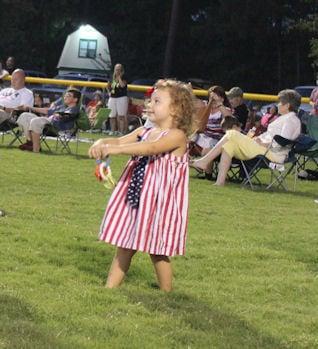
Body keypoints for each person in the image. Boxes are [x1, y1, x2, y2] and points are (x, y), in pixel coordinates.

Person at [88, 79, 194, 292]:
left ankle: (167, 293)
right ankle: (109, 289)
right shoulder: (144, 130)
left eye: (157, 101)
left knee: (157, 249)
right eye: (151, 100)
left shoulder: (177, 136)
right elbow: (120, 141)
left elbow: (151, 148)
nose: (150, 105)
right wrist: (102, 143)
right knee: (125, 245)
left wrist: (115, 150)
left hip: (158, 202)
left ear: (176, 109)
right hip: (137, 198)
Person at [191, 89, 302, 186]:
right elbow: (272, 136)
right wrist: (256, 139)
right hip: (262, 148)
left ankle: (204, 161)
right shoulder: (284, 118)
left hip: (272, 154)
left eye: (280, 102)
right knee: (229, 144)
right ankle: (220, 182)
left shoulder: (291, 120)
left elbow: (282, 143)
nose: (277, 105)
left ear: (287, 105)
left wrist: (262, 143)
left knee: (232, 133)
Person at [17, 88, 81, 153]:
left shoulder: (74, 109)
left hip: (54, 128)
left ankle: (36, 149)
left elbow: (67, 115)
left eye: (68, 96)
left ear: (75, 99)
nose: (65, 97)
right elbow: (47, 111)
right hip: (47, 122)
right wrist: (30, 107)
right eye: (65, 95)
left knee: (35, 121)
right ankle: (30, 142)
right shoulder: (62, 107)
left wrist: (60, 115)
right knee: (24, 116)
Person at [191, 85, 232, 157]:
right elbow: (194, 102)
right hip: (202, 137)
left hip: (217, 140)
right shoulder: (205, 106)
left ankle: (203, 166)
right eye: (211, 97)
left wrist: (219, 103)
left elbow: (229, 118)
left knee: (207, 151)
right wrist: (189, 92)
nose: (213, 99)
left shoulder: (226, 110)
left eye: (216, 96)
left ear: (222, 99)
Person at [107, 63, 129, 135]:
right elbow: (108, 86)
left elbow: (122, 85)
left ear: (121, 70)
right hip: (112, 97)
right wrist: (109, 92)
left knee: (121, 116)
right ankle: (112, 131)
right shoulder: (112, 77)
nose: (117, 71)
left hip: (121, 97)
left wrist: (119, 77)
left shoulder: (124, 76)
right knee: (112, 115)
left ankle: (121, 131)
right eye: (116, 69)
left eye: (119, 69)